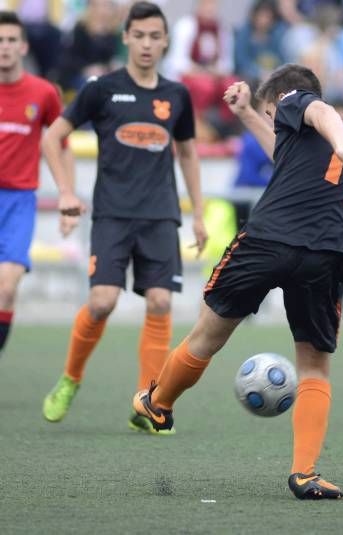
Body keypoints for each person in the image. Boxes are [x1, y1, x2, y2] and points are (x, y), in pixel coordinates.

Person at [130, 64, 343, 501]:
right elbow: (284, 151)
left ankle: (158, 402)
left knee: (207, 335)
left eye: (268, 115)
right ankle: (305, 474)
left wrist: (336, 141)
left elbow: (318, 111)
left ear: (279, 103)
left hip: (270, 238)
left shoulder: (301, 104)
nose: (272, 123)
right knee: (315, 366)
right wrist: (246, 113)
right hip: (326, 251)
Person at [40, 2, 208, 434]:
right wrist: (64, 192)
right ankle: (70, 378)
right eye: (140, 36)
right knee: (102, 302)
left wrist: (200, 215)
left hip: (159, 216)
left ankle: (146, 403)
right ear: (126, 38)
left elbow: (188, 153)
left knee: (160, 301)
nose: (148, 44)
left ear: (166, 41)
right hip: (112, 215)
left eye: (155, 36)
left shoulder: (177, 95)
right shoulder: (101, 89)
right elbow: (53, 136)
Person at [0, 11, 72, 357]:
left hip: (18, 202)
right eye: (0, 40)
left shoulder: (43, 93)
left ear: (23, 46)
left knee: (7, 289)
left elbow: (62, 143)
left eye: (11, 40)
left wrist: (67, 195)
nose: (5, 47)